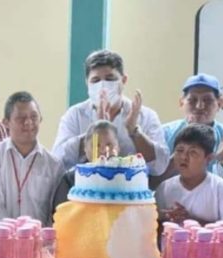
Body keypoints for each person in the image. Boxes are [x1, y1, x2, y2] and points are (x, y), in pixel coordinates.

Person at [51, 49, 169, 179]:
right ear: (87, 83)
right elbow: (57, 161)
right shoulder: (75, 115)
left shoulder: (145, 116)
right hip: (88, 194)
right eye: (95, 80)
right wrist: (95, 133)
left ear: (123, 80)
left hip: (130, 195)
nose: (102, 86)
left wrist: (134, 132)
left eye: (110, 79)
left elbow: (160, 166)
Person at [0, 91, 64, 226]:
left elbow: (54, 214)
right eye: (20, 118)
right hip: (1, 240)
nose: (28, 122)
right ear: (6, 122)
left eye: (34, 117)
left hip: (39, 242)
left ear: (40, 119)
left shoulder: (53, 164)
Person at [158, 74, 223, 188]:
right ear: (181, 103)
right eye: (192, 100)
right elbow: (151, 183)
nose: (200, 106)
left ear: (220, 103)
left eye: (207, 100)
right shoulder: (165, 133)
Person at [155, 124, 223, 225]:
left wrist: (189, 221)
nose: (184, 157)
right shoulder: (164, 188)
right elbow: (154, 227)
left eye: (193, 152)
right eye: (179, 150)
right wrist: (168, 219)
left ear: (208, 159)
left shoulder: (221, 189)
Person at [51, 120, 119, 213]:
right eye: (97, 145)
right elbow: (60, 214)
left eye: (108, 145)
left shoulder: (128, 178)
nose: (103, 151)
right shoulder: (71, 179)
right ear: (85, 148)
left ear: (118, 148)